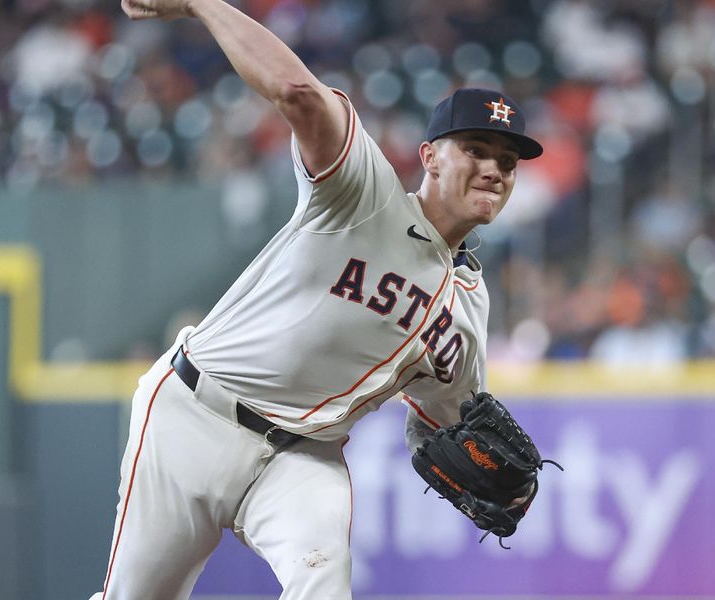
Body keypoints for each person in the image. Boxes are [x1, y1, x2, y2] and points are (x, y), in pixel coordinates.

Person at [92, 1, 543, 598]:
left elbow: (449, 421)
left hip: (303, 459)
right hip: (196, 415)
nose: (494, 169)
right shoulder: (365, 191)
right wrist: (201, 3)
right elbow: (297, 93)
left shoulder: (468, 308)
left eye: (507, 162)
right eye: (477, 150)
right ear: (430, 155)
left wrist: (502, 478)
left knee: (324, 581)